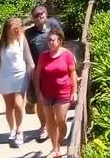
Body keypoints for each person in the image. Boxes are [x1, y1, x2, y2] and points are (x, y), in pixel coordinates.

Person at [33, 27, 78, 158]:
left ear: (59, 41)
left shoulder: (67, 55)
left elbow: (73, 73)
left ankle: (62, 135)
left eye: (52, 40)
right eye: (48, 40)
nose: (50, 43)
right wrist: (38, 92)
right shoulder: (43, 56)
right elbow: (37, 74)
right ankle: (55, 148)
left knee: (60, 119)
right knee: (49, 120)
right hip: (47, 93)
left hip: (63, 92)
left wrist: (74, 91)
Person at [0, 17, 34, 147]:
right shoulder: (0, 43)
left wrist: (33, 72)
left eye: (18, 28)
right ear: (7, 29)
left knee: (18, 104)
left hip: (20, 76)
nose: (16, 30)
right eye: (13, 28)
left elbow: (28, 57)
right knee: (9, 106)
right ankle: (12, 129)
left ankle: (20, 130)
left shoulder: (22, 39)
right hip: (4, 77)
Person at [25, 4, 65, 141]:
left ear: (46, 13)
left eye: (42, 13)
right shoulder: (28, 34)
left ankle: (55, 124)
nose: (40, 16)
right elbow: (26, 52)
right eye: (36, 15)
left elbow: (61, 41)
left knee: (56, 98)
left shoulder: (53, 24)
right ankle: (43, 126)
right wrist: (30, 66)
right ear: (33, 18)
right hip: (38, 71)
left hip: (55, 68)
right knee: (40, 100)